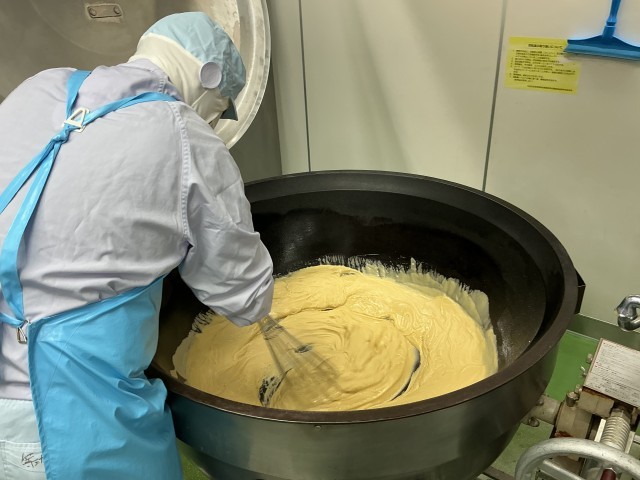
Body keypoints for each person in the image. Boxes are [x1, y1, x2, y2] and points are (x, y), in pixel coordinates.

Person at [0, 12, 274, 480]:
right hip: (71, 422)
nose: (213, 122)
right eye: (218, 110)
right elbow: (245, 296)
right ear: (208, 79)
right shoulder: (184, 133)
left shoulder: (38, 89)